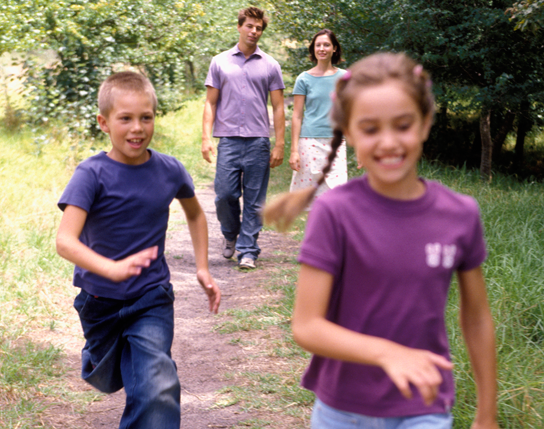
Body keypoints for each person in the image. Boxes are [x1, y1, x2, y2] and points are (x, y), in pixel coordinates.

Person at [264, 53, 499, 428]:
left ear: (424, 124)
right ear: (350, 133)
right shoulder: (334, 213)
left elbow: (477, 318)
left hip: (424, 407)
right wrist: (387, 354)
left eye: (403, 125)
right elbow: (306, 325)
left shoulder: (460, 214)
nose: (388, 142)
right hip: (342, 411)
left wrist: (487, 414)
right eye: (370, 129)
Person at [56, 71, 221, 429]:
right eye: (125, 118)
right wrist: (110, 269)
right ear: (104, 122)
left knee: (156, 386)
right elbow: (65, 241)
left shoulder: (169, 169)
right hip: (100, 303)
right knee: (107, 373)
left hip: (150, 297)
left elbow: (195, 214)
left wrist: (202, 268)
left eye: (146, 117)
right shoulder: (91, 174)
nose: (137, 128)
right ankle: (105, 358)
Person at [202, 6, 286, 270]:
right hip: (228, 140)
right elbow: (210, 103)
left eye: (259, 28)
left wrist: (280, 144)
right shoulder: (220, 61)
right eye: (249, 26)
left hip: (258, 141)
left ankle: (248, 250)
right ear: (239, 26)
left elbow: (279, 107)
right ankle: (230, 234)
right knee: (224, 195)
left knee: (255, 200)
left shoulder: (271, 64)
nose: (254, 31)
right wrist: (206, 138)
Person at [289, 29, 347, 203]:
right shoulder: (304, 79)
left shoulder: (345, 78)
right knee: (309, 196)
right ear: (313, 49)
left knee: (337, 194)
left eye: (326, 45)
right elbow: (297, 115)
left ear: (334, 48)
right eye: (318, 45)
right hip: (309, 142)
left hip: (336, 142)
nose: (322, 48)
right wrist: (293, 151)